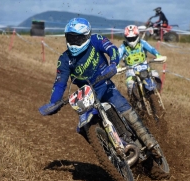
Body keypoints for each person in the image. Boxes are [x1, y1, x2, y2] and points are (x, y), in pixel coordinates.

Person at [38, 18, 161, 154]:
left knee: (126, 111)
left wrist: (113, 63)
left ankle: (150, 142)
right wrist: (54, 103)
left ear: (86, 36)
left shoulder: (96, 40)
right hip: (87, 96)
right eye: (70, 38)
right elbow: (60, 83)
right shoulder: (64, 59)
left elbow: (112, 49)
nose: (74, 42)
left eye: (77, 38)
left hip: (105, 86)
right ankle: (108, 153)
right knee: (83, 126)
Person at [118, 24, 167, 96]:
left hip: (145, 67)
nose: (131, 40)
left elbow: (151, 49)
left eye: (133, 38)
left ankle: (157, 93)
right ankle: (134, 100)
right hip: (130, 70)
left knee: (155, 74)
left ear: (137, 36)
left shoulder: (142, 43)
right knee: (130, 84)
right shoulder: (123, 47)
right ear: (125, 37)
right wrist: (116, 66)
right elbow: (117, 57)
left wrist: (158, 55)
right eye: (129, 38)